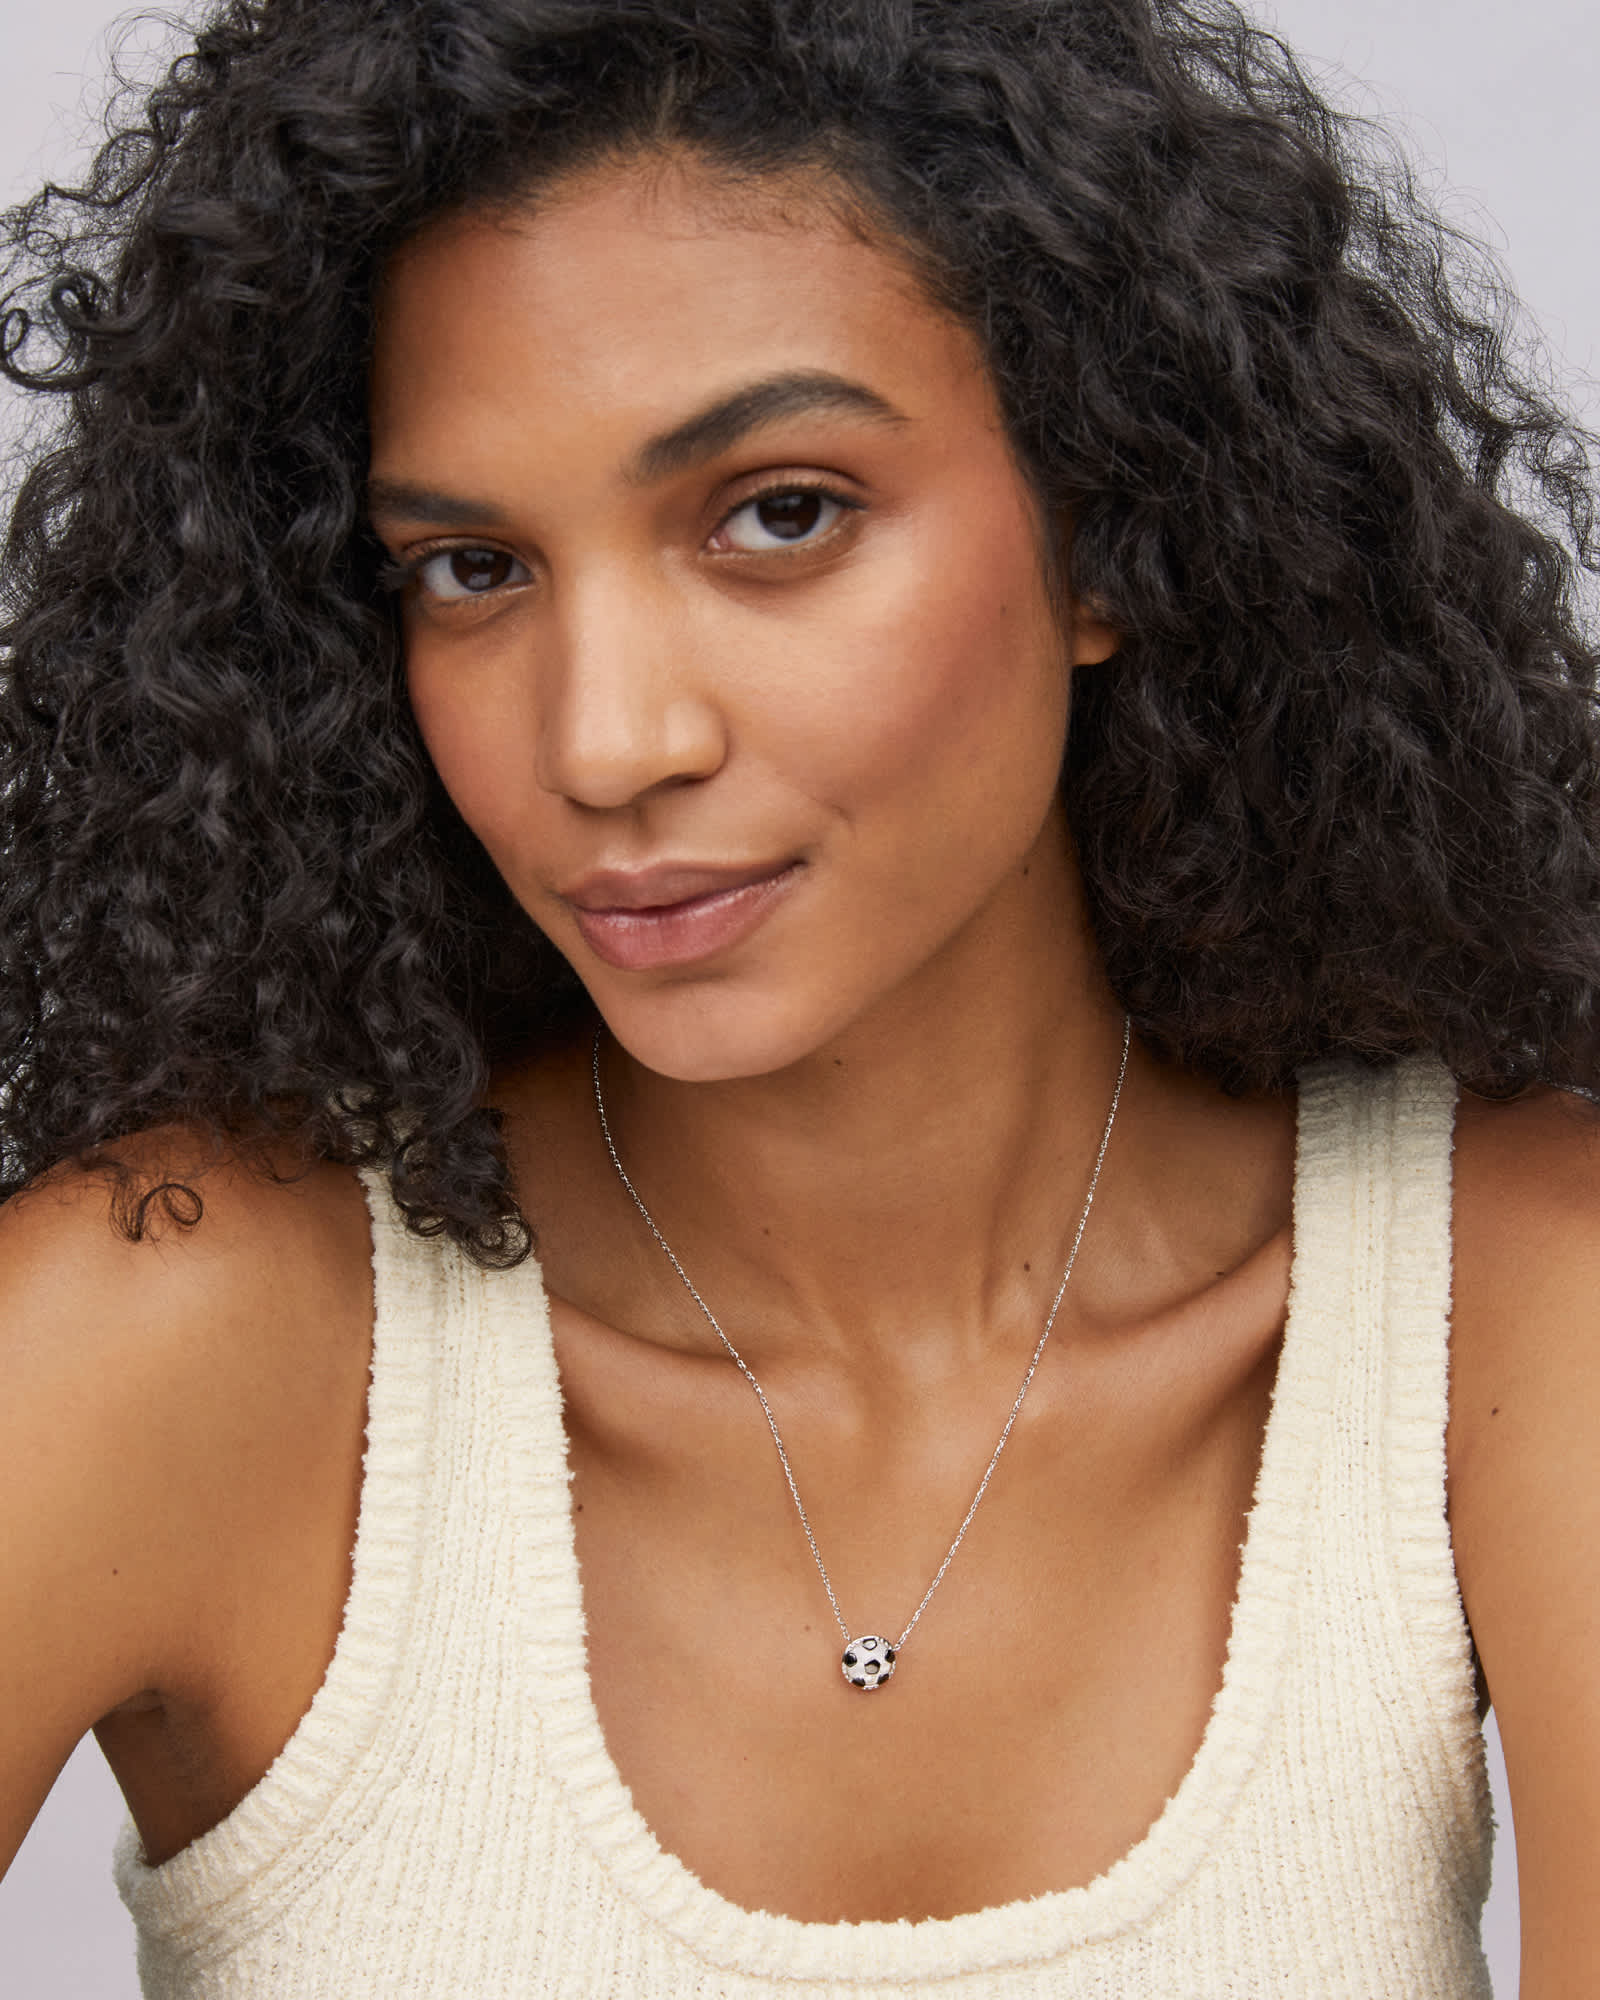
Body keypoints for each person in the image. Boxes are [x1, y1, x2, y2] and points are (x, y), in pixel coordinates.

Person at [1, 0, 1596, 1992]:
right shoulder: (185, 1330)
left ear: (1113, 530)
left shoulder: (1506, 1305)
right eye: (473, 568)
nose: (605, 742)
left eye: (779, 514)